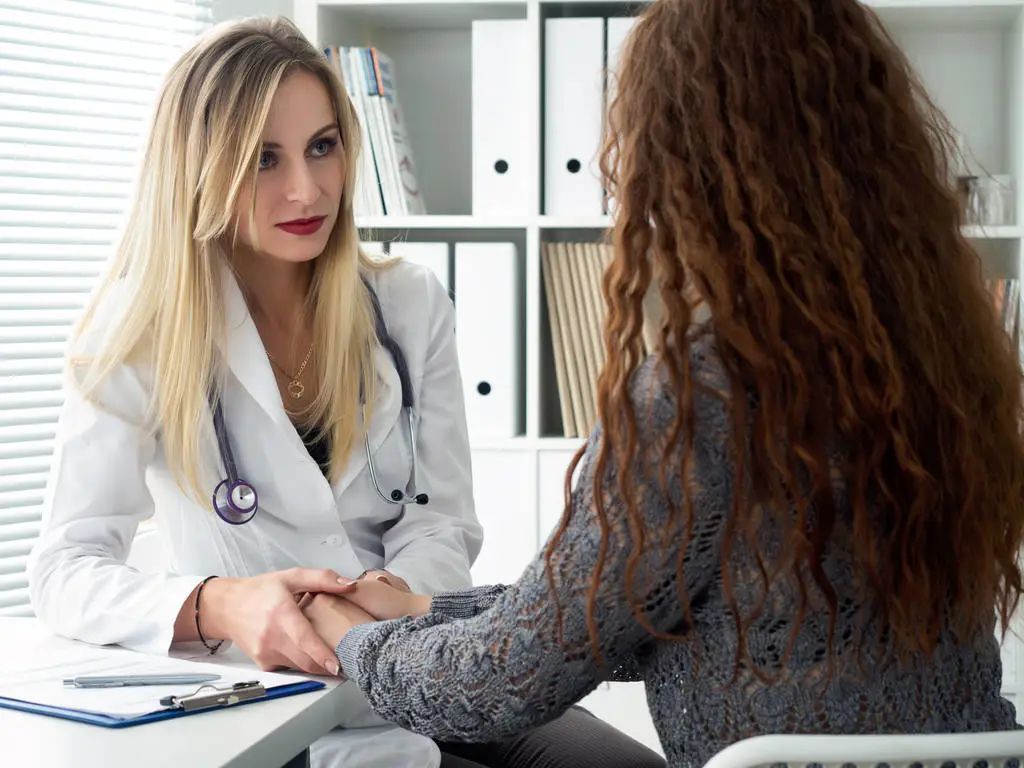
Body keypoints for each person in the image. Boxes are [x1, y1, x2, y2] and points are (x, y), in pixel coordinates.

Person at [296, 0, 1024, 765]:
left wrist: (360, 640)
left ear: (681, 162)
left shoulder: (704, 395)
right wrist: (425, 605)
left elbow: (506, 681)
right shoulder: (940, 365)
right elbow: (646, 609)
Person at [26, 16, 663, 768]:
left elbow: (444, 525)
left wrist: (371, 603)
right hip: (261, 692)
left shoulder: (409, 305)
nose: (308, 188)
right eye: (264, 158)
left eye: (322, 146)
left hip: (418, 664)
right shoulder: (135, 334)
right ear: (199, 168)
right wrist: (218, 602)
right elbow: (66, 567)